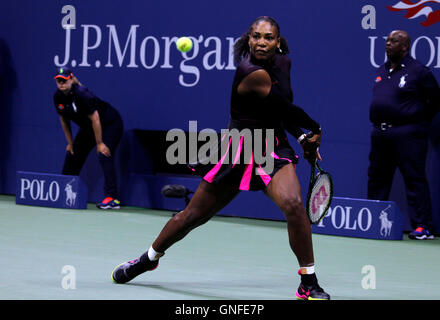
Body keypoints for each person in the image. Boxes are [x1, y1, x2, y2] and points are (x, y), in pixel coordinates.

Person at [111, 16, 330, 300]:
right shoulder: (250, 71)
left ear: (279, 42)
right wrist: (314, 129)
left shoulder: (283, 64)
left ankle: (308, 282)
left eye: (267, 37)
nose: (260, 42)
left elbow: (279, 112)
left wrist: (302, 139)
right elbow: (287, 109)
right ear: (248, 39)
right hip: (239, 148)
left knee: (293, 204)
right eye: (255, 36)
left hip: (271, 148)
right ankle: (147, 259)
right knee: (192, 217)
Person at [368, 30, 440, 240]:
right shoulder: (381, 70)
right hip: (380, 133)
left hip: (408, 134)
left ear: (405, 47)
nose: (388, 44)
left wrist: (417, 120)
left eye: (394, 41)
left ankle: (422, 226)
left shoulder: (419, 71)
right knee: (377, 179)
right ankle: (372, 221)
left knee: (414, 179)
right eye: (388, 40)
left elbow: (435, 100)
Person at [53, 67, 124, 209]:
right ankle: (63, 193)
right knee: (72, 154)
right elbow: (64, 120)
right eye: (59, 80)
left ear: (72, 79)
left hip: (109, 123)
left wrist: (100, 143)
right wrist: (70, 143)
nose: (61, 83)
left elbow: (96, 119)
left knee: (104, 154)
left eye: (65, 80)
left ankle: (112, 198)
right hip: (89, 128)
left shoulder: (82, 94)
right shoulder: (58, 96)